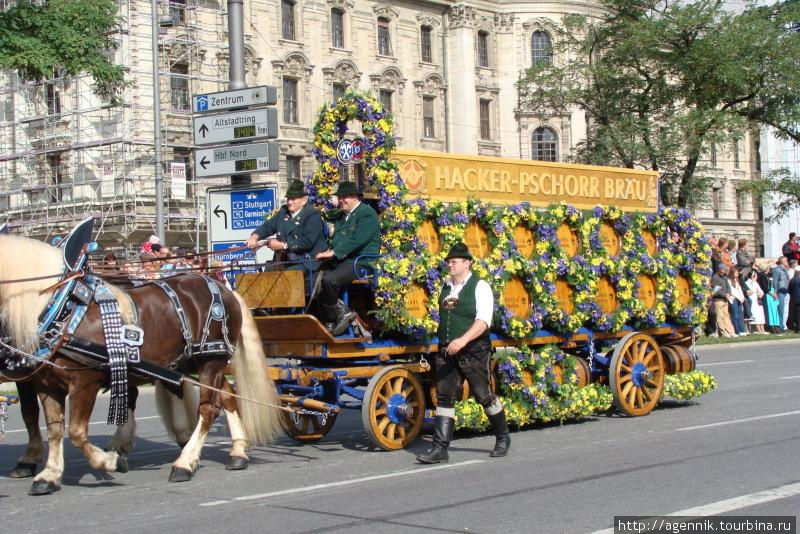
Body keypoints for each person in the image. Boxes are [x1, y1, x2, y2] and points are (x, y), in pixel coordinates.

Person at [416, 242, 510, 464]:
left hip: (474, 349)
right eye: (448, 261)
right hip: (448, 349)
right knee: (445, 396)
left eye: (454, 261)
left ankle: (503, 437)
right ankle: (440, 448)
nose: (450, 264)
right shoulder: (445, 287)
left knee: (483, 395)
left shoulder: (480, 286)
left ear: (467, 263)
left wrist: (463, 339)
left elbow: (483, 321)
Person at [315, 181, 380, 335]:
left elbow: (357, 240)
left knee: (329, 280)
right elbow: (326, 216)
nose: (341, 200)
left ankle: (335, 316)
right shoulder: (343, 215)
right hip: (343, 260)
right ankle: (331, 315)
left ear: (355, 198)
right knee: (312, 278)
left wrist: (334, 252)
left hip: (361, 261)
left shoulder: (366, 213)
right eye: (340, 197)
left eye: (345, 197)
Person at [247, 179, 327, 277]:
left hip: (308, 260)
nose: (289, 202)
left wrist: (283, 245)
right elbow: (268, 226)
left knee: (286, 276)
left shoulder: (312, 214)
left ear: (304, 200)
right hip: (286, 260)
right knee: (267, 273)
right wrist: (255, 237)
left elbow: (308, 242)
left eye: (293, 199)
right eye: (288, 198)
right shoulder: (284, 212)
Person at [710, 263, 735, 338]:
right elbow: (716, 290)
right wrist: (725, 295)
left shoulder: (724, 277)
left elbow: (728, 287)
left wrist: (729, 293)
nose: (725, 271)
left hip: (725, 300)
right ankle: (723, 332)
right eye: (724, 269)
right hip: (718, 300)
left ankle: (730, 332)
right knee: (720, 317)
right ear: (720, 269)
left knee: (726, 316)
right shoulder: (715, 277)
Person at [744, 270, 766, 334]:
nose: (757, 277)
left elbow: (761, 291)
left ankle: (762, 329)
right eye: (755, 276)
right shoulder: (746, 283)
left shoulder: (756, 283)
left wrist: (760, 294)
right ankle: (755, 329)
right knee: (753, 315)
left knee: (760, 314)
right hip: (751, 301)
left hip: (757, 301)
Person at [772, 257, 790, 331]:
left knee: (785, 310)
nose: (787, 262)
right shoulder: (777, 270)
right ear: (782, 261)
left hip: (786, 291)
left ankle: (783, 325)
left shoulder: (785, 270)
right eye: (786, 260)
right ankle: (780, 326)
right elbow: (775, 282)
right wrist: (775, 292)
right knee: (780, 310)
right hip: (780, 292)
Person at [728, 267, 747, 336]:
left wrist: (742, 297)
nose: (738, 273)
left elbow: (739, 290)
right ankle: (737, 330)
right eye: (736, 272)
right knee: (735, 315)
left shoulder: (736, 280)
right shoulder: (729, 280)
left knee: (740, 315)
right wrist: (739, 298)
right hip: (734, 299)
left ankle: (742, 330)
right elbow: (732, 291)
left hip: (739, 299)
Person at [788, 266, 800, 332]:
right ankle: (798, 327)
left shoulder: (792, 279)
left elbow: (789, 290)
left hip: (794, 298)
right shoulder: (798, 279)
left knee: (796, 314)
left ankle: (796, 326)